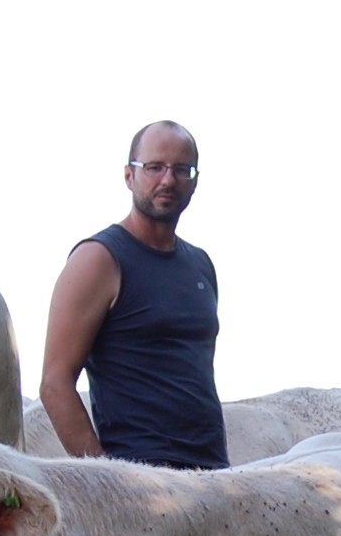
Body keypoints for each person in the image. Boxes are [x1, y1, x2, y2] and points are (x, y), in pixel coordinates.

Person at [38, 119, 228, 468]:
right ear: (129, 176)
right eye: (154, 167)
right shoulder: (98, 258)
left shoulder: (201, 265)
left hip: (213, 477)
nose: (168, 180)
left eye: (181, 169)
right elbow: (55, 383)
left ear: (195, 181)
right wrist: (109, 483)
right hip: (141, 483)